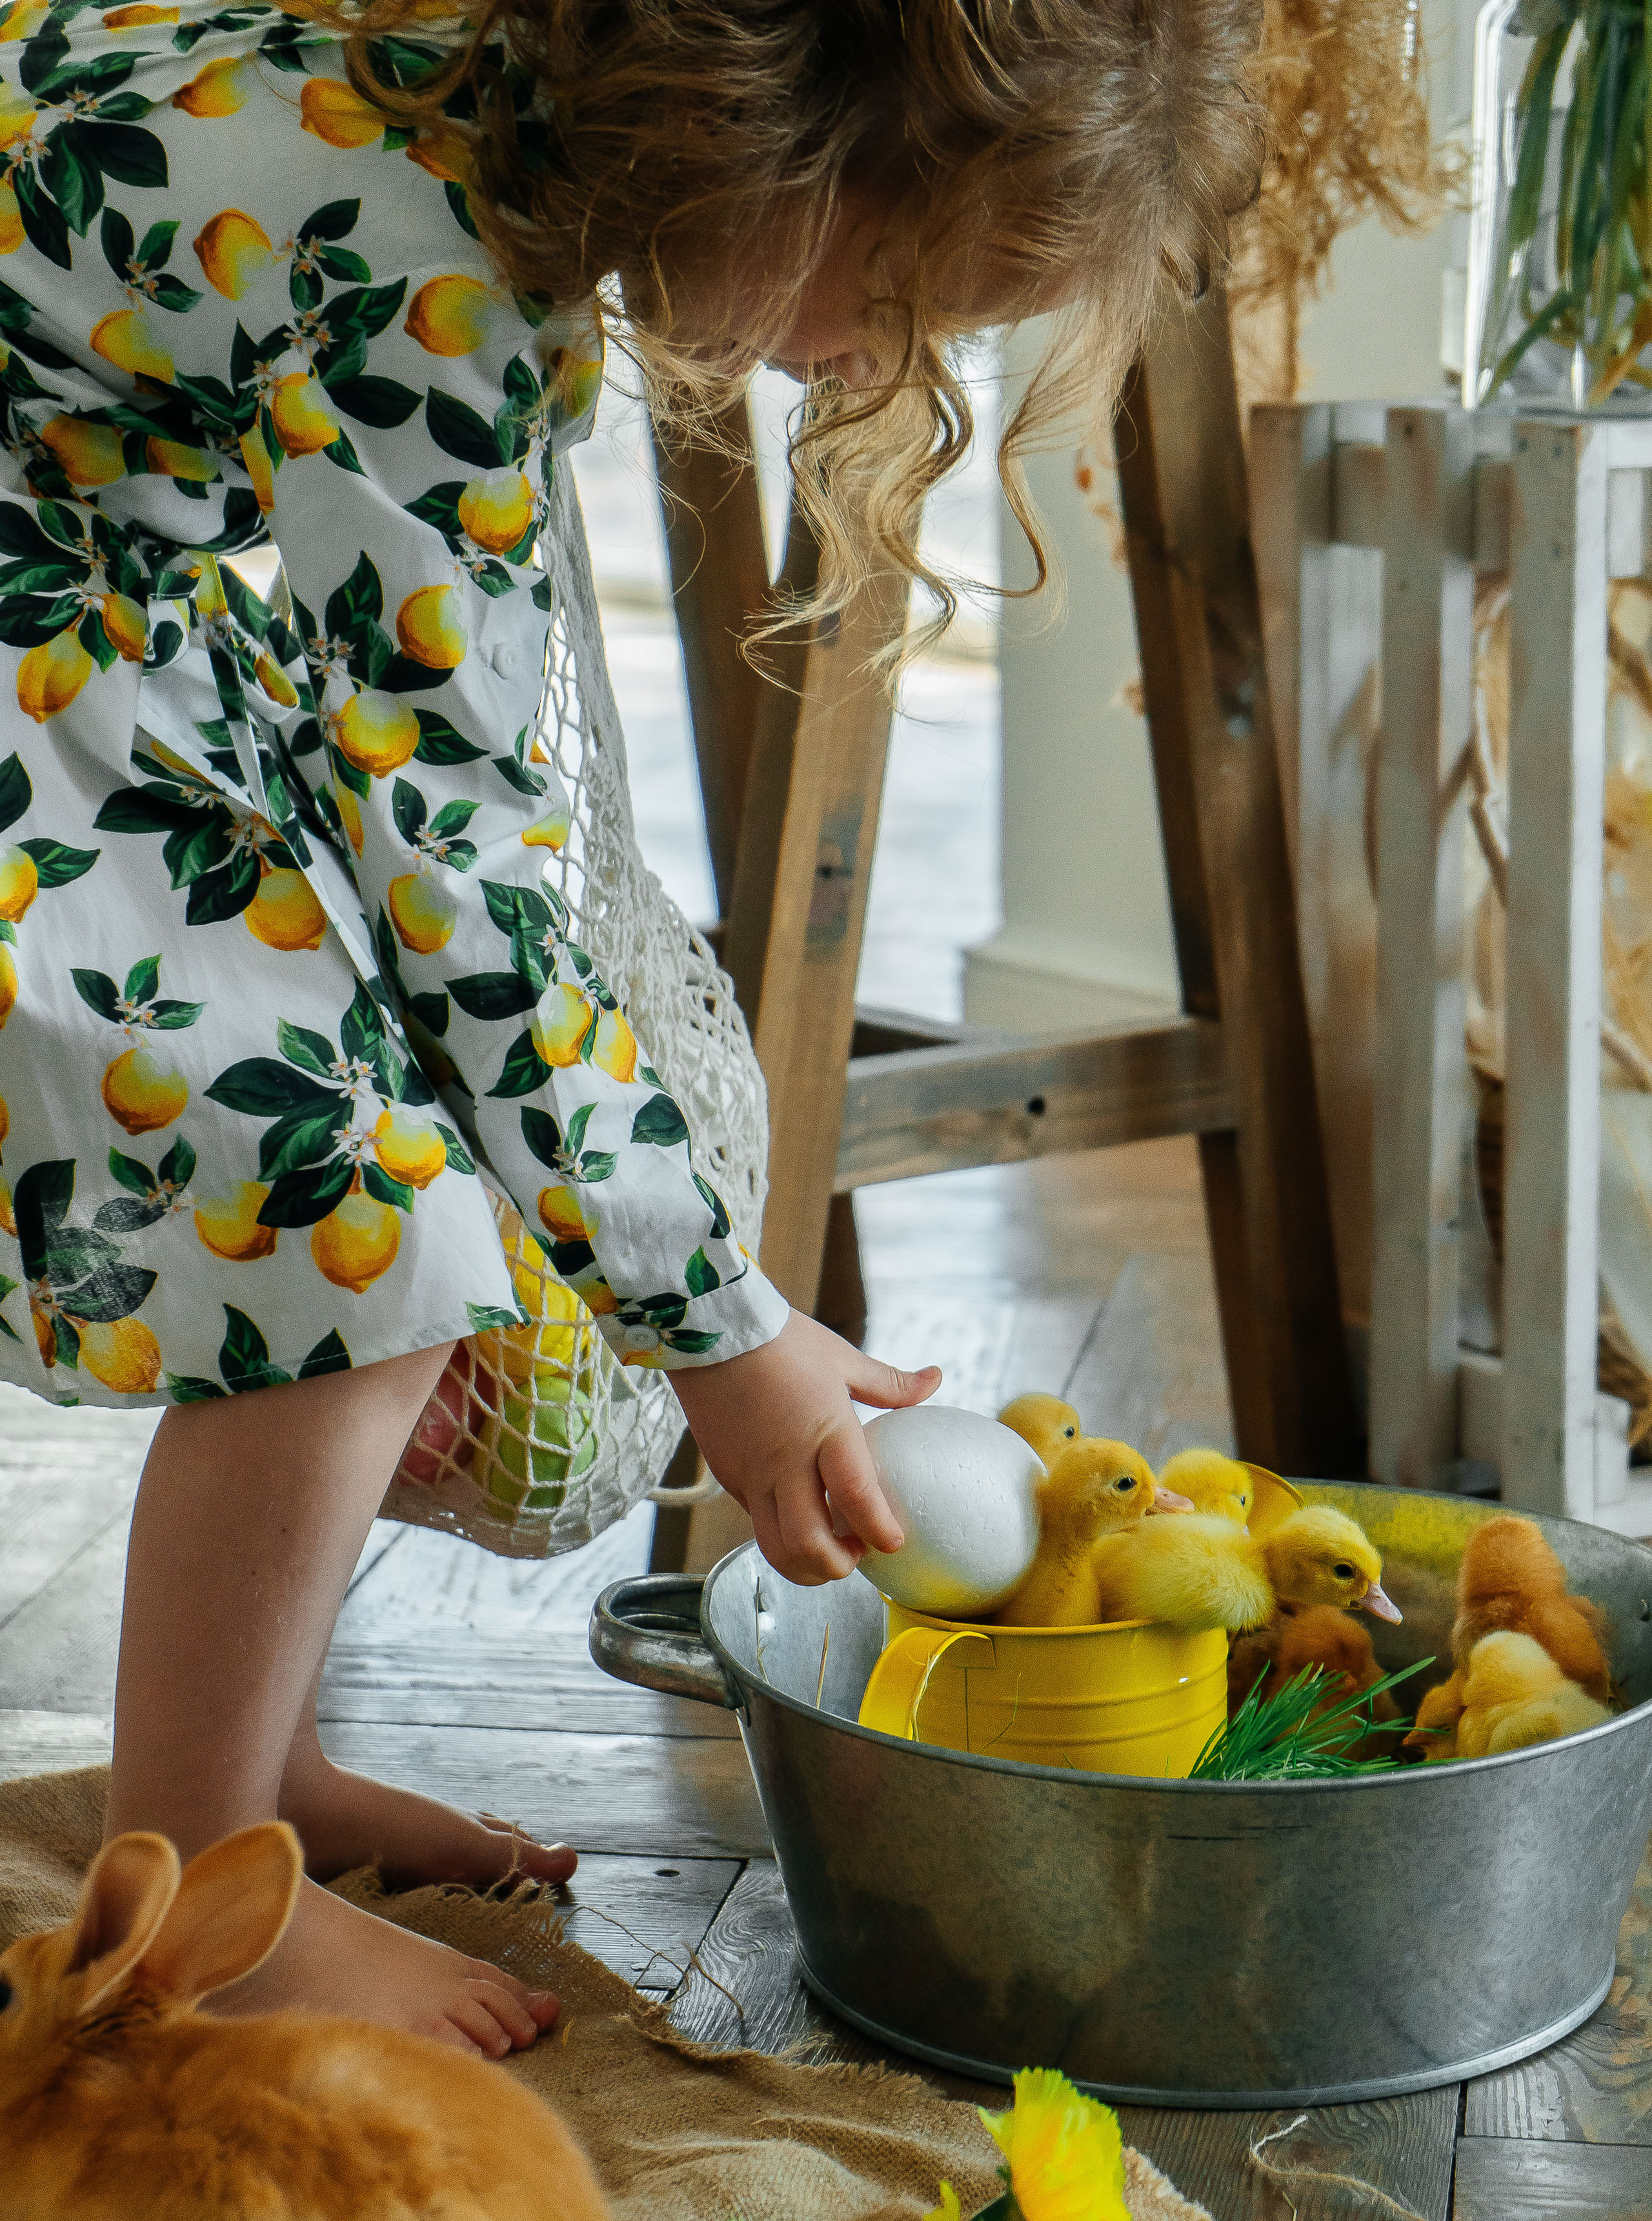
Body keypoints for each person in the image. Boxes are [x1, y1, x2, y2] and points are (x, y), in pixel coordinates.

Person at [0, 0, 1264, 2051]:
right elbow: (469, 881)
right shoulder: (420, 271)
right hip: (47, 606)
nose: (878, 361)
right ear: (787, 136)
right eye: (908, 290)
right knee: (348, 1208)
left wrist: (711, 1309)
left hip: (86, 571)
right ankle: (199, 1895)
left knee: (375, 1167)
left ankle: (257, 1783)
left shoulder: (441, 137)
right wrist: (726, 1335)